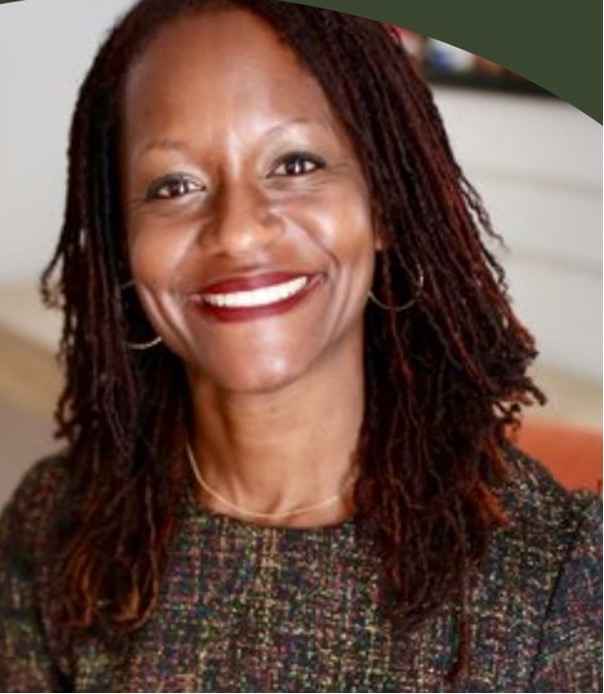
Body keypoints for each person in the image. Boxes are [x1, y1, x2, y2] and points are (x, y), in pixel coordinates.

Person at [0, 0, 601, 691]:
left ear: (383, 203)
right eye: (174, 185)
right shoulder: (53, 532)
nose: (237, 231)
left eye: (294, 164)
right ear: (120, 240)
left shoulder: (558, 576)